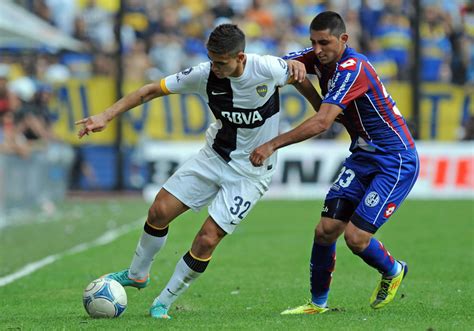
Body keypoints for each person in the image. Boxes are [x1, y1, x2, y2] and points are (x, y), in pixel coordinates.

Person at [75, 24, 313, 319]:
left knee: (207, 238)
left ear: (240, 57)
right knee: (159, 211)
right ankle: (138, 274)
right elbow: (150, 91)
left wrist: (321, 106)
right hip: (214, 156)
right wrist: (105, 116)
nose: (215, 67)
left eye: (221, 62)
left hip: (252, 172)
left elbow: (298, 75)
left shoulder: (268, 68)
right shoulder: (203, 74)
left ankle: (164, 300)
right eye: (211, 60)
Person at [250, 11, 419, 314]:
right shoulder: (317, 58)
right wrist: (296, 77)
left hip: (395, 161)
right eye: (312, 42)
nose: (317, 50)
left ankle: (394, 270)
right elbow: (283, 66)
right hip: (363, 157)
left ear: (343, 39)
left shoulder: (354, 68)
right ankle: (317, 304)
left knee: (355, 238)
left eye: (324, 42)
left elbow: (321, 123)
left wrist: (272, 144)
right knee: (325, 230)